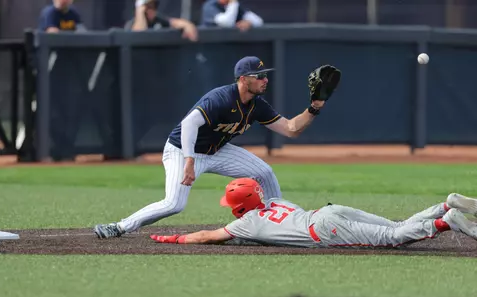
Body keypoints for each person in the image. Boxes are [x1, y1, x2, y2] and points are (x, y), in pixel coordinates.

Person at [93, 57, 340, 239]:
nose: (266, 80)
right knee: (174, 204)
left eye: (266, 75)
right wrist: (189, 160)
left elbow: (290, 129)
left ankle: (275, 223)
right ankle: (120, 226)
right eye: (260, 76)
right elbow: (189, 124)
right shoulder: (220, 98)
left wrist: (315, 107)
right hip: (182, 150)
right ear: (244, 80)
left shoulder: (257, 104)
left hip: (216, 151)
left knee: (264, 172)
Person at [149, 178, 477, 247]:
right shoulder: (276, 202)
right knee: (397, 226)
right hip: (325, 212)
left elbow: (208, 236)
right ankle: (445, 205)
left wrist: (173, 237)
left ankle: (445, 220)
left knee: (392, 238)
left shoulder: (247, 222)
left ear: (239, 206)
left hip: (324, 231)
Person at [125, 0, 198, 42]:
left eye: (154, 6)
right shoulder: (132, 24)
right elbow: (138, 36)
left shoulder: (158, 20)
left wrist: (187, 25)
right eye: (148, 7)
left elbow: (174, 22)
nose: (151, 10)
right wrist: (140, 12)